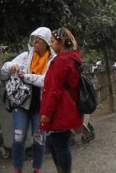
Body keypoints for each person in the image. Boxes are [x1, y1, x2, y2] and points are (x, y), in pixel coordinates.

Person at [1, 27, 55, 173]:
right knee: (18, 136)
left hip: (41, 106)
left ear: (46, 43)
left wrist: (28, 77)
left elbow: (47, 81)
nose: (34, 42)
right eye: (33, 39)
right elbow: (4, 68)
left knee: (39, 139)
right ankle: (17, 168)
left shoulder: (53, 60)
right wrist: (12, 66)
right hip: (22, 103)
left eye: (38, 40)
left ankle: (37, 168)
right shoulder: (25, 56)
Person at [40, 27, 83, 173]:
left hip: (61, 110)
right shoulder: (71, 58)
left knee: (59, 145)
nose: (51, 44)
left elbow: (55, 89)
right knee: (54, 143)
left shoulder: (62, 61)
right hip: (65, 108)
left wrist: (47, 112)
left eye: (52, 41)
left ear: (61, 42)